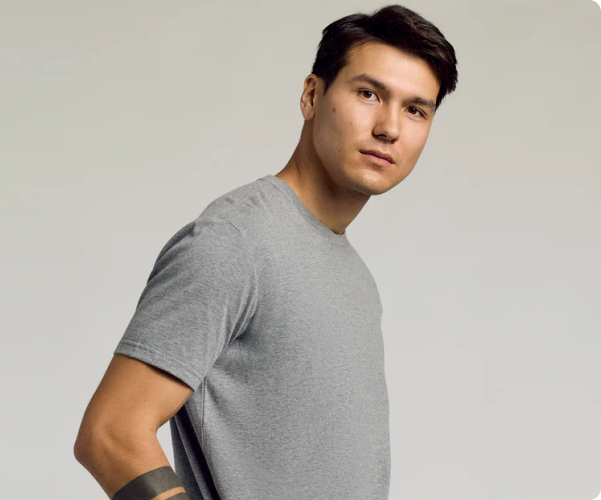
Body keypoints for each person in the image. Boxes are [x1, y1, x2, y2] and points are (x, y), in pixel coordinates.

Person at [73, 4, 458, 499]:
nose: (390, 127)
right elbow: (109, 433)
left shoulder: (356, 276)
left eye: (415, 110)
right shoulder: (236, 240)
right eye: (368, 94)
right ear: (312, 95)